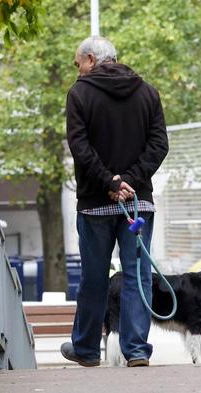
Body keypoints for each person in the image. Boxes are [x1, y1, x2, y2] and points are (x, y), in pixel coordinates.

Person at [60, 36, 169, 368]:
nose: (77, 70)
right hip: (138, 203)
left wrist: (110, 182)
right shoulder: (147, 92)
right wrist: (130, 181)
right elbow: (159, 144)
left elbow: (79, 146)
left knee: (94, 277)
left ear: (91, 59)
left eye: (78, 63)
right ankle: (136, 350)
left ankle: (87, 349)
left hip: (95, 203)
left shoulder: (80, 94)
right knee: (137, 276)